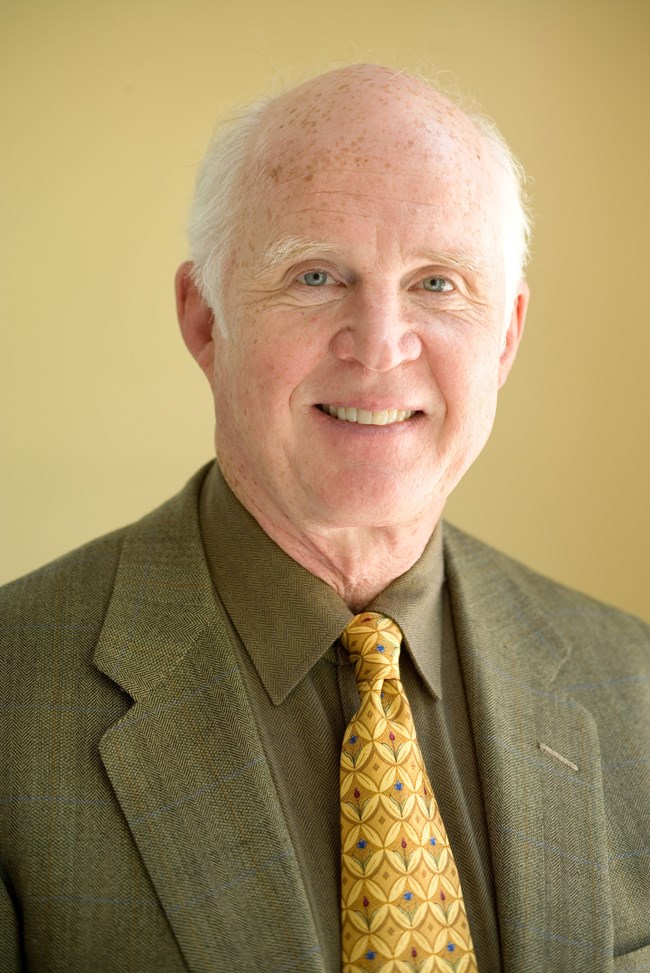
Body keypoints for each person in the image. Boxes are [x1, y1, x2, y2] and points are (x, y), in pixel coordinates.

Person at [1, 64, 648, 973]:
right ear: (203, 318)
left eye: (437, 283)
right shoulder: (11, 697)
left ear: (505, 336)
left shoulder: (636, 685)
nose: (380, 343)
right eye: (315, 274)